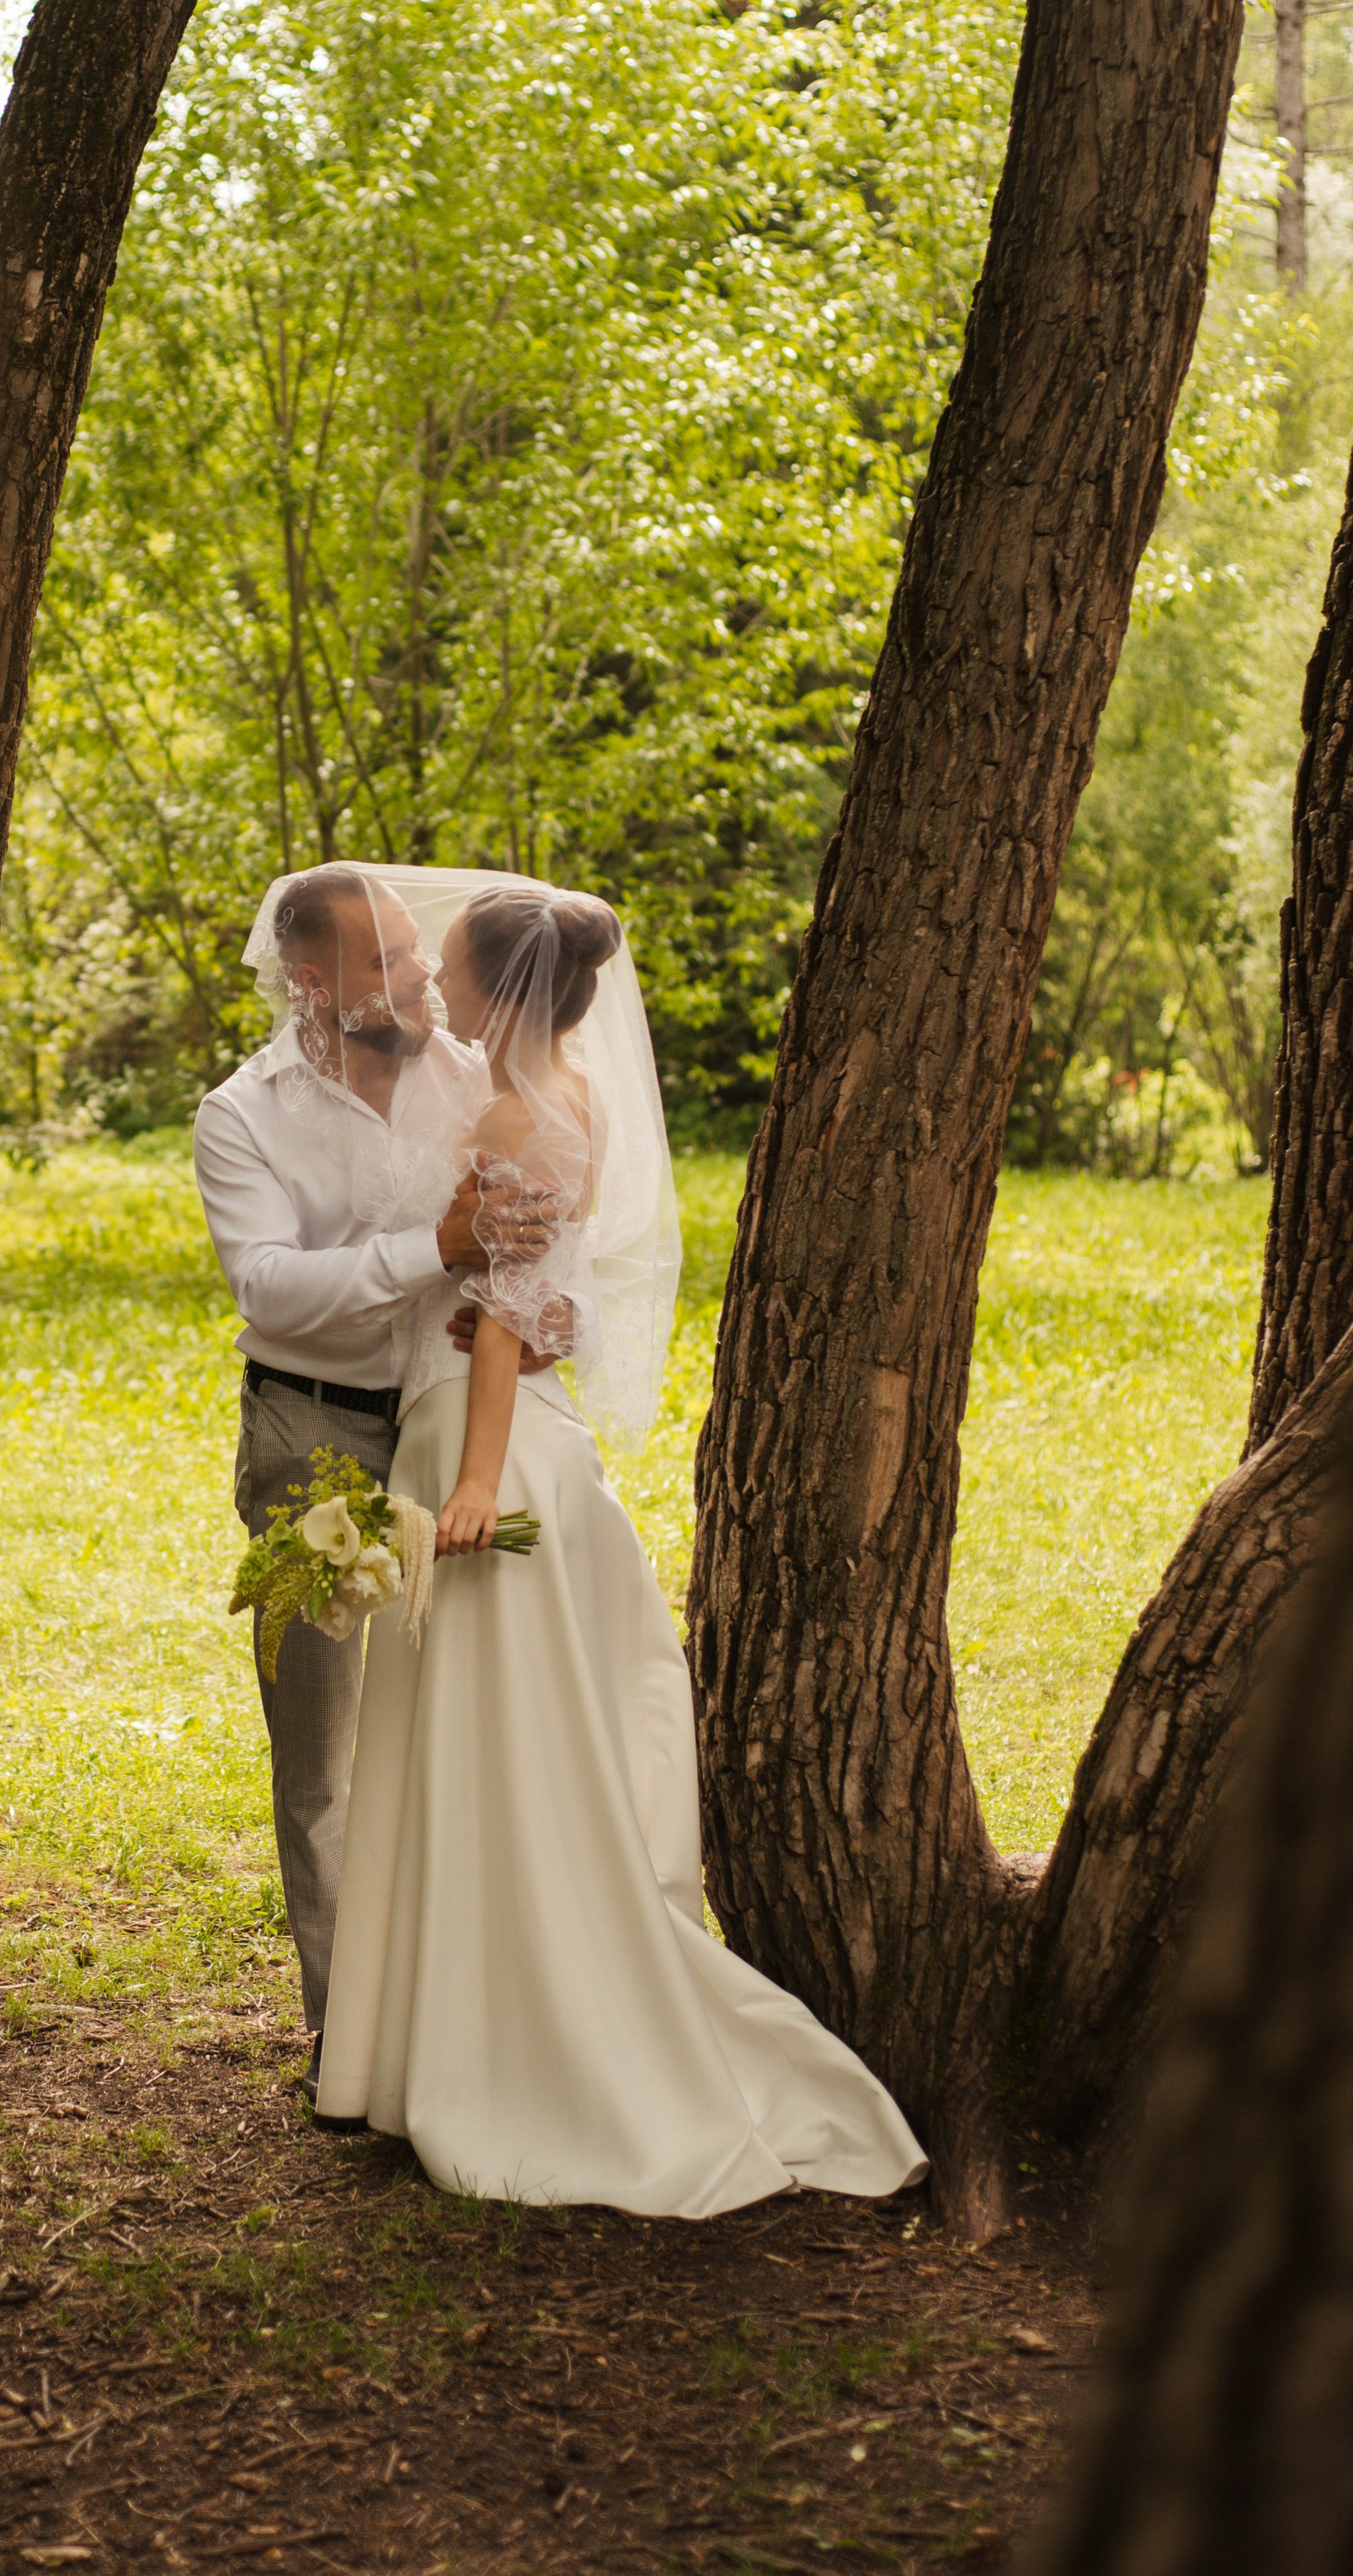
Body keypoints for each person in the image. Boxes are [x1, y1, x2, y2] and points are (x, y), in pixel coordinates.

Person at [312, 870, 927, 2216]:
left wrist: (474, 1480)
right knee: (473, 1742)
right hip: (494, 1422)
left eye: (454, 965)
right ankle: (437, 2039)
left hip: (491, 1444)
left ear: (499, 985)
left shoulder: (524, 1109)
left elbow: (515, 1307)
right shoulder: (558, 1090)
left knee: (496, 1751)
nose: (440, 982)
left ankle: (517, 2043)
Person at [193, 867, 559, 2078]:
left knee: (460, 1731)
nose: (416, 981)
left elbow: (548, 1241)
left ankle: (464, 2016)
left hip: (451, 1431)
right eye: (385, 965)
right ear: (314, 983)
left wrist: (548, 1315)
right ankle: (349, 2046)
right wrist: (434, 1248)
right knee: (328, 1755)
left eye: (414, 954)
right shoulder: (242, 1115)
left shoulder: (471, 1073)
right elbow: (268, 1289)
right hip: (312, 1438)